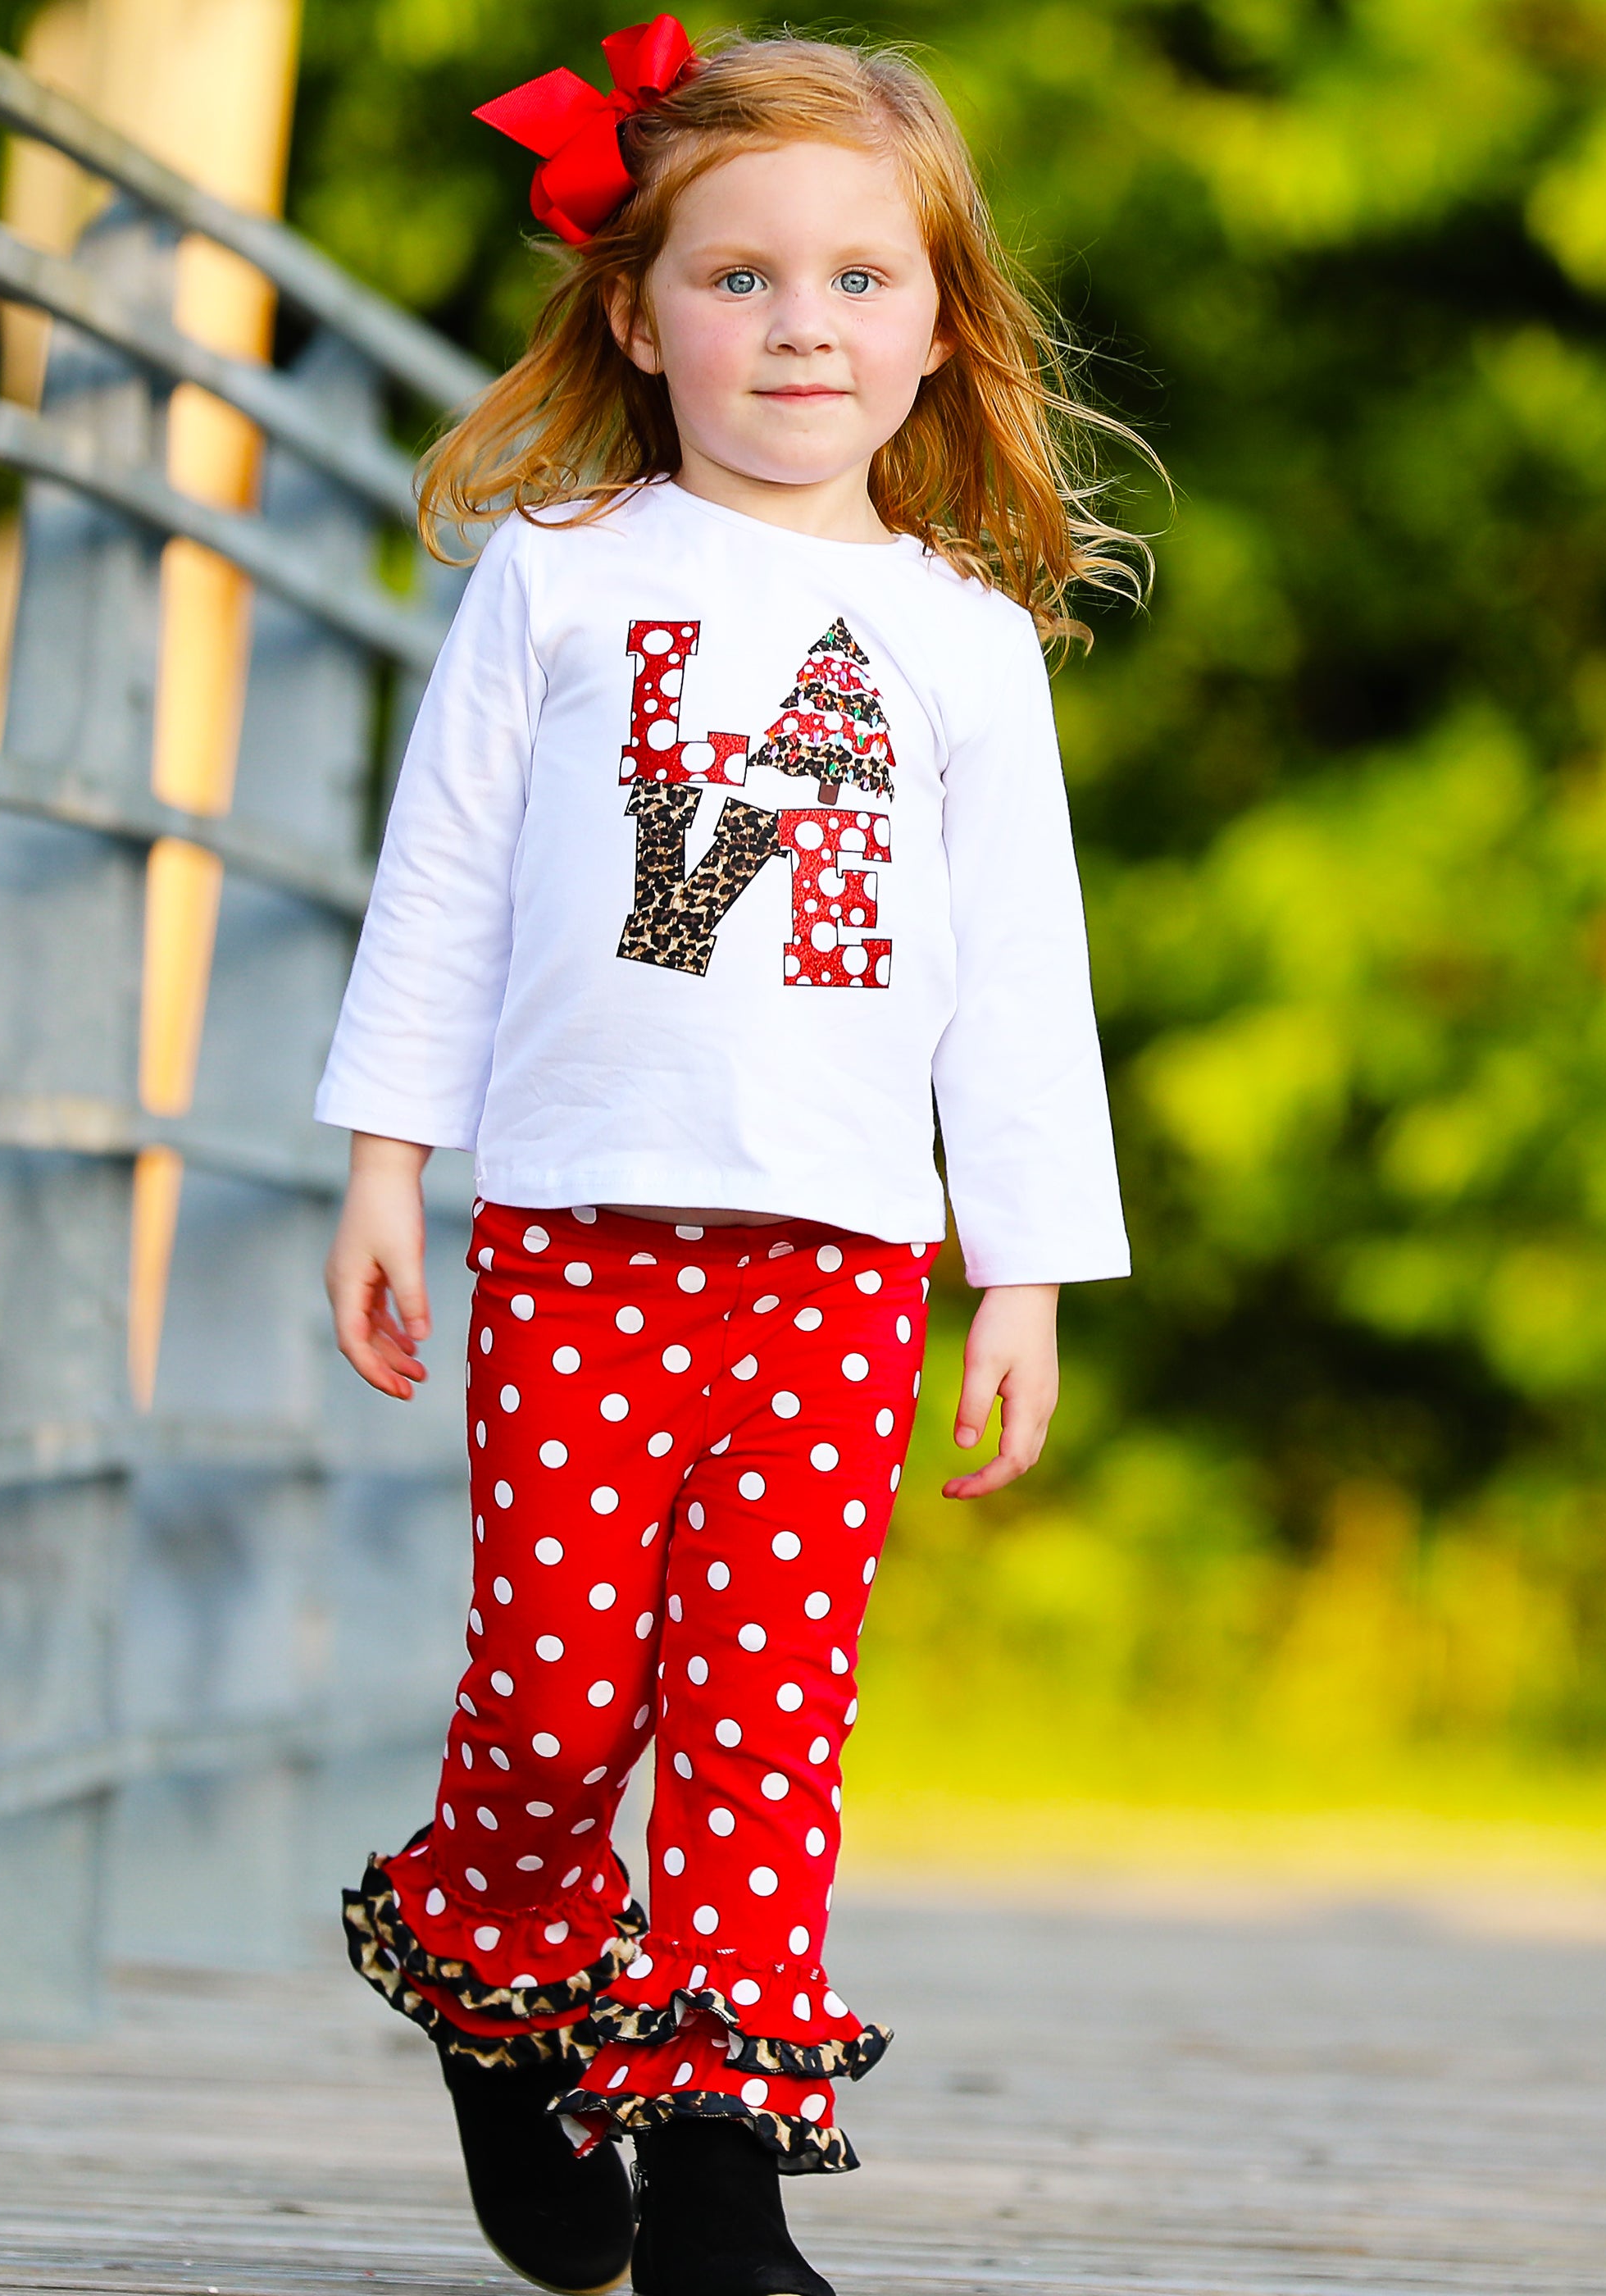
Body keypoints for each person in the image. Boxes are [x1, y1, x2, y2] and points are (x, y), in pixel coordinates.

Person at [318, 19, 1149, 2294]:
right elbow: (447, 882)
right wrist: (390, 1161)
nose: (803, 328)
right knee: (559, 1702)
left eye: (862, 283)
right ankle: (496, 1984)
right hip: (583, 1244)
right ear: (634, 308)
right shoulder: (563, 575)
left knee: (768, 1720)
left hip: (846, 1266)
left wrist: (1029, 1274)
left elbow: (1021, 981)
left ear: (939, 328)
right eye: (743, 279)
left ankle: (718, 2183)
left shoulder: (966, 644)